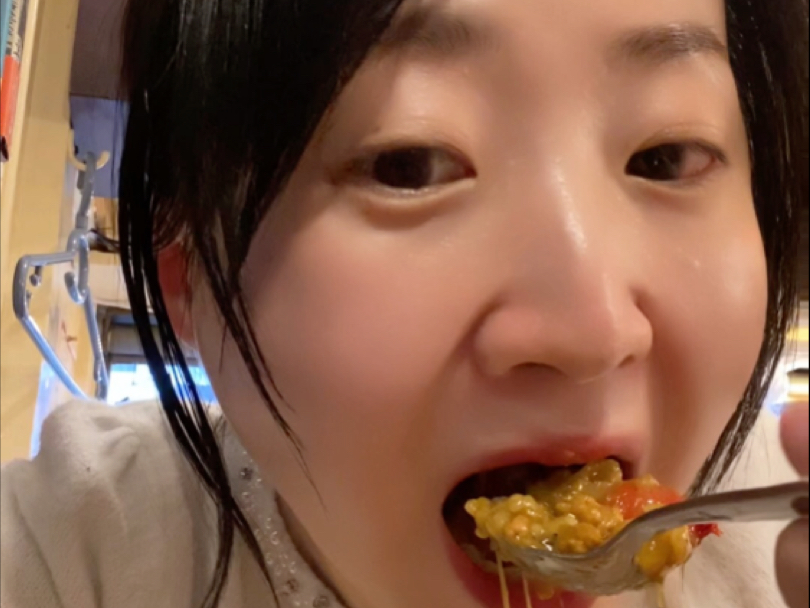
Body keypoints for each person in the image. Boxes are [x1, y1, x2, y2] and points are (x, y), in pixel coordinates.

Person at [1, 1, 808, 607]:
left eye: (665, 157)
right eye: (408, 164)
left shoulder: (780, 542)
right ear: (185, 275)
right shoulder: (75, 556)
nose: (594, 330)